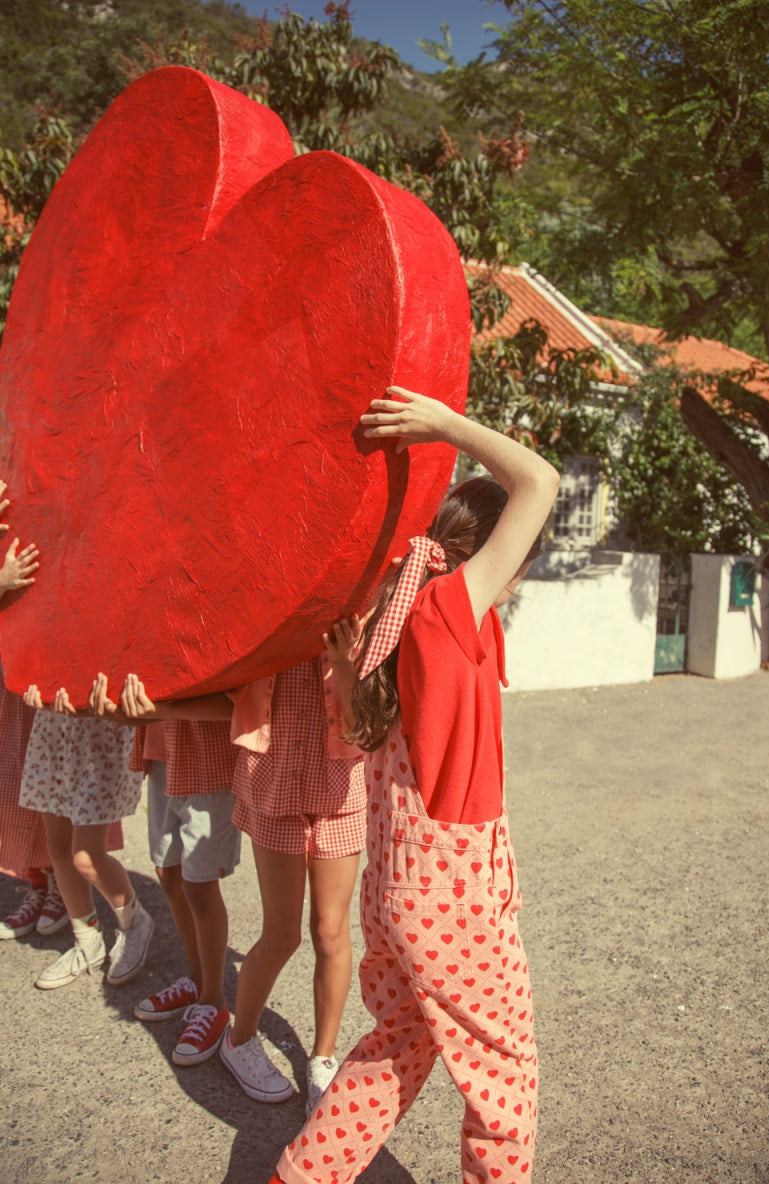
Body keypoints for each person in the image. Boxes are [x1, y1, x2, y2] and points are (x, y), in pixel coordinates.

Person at [270, 385, 560, 1184]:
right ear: (501, 550)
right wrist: (445, 426)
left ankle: (301, 1174)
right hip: (452, 893)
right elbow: (541, 481)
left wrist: (341, 667)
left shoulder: (406, 611)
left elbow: (355, 734)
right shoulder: (445, 608)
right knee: (506, 1080)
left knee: (394, 1049)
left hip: (396, 888)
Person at [118, 649, 366, 1116]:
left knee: (332, 932)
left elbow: (369, 720)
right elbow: (227, 690)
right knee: (282, 934)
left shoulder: (359, 615)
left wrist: (348, 665)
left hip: (340, 784)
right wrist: (158, 707)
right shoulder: (273, 613)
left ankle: (323, 1058)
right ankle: (240, 1038)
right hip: (272, 783)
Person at [89, 676, 241, 1068]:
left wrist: (162, 709)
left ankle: (214, 1002)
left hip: (208, 752)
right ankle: (197, 980)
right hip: (162, 750)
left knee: (200, 883)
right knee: (168, 872)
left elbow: (237, 700)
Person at [20, 685, 153, 990]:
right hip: (54, 723)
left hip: (102, 724)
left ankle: (135, 923)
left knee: (86, 857)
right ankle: (87, 940)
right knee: (59, 847)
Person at [0, 504, 67, 938]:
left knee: (50, 779)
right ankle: (39, 883)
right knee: (16, 779)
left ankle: (63, 888)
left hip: (43, 652)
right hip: (10, 659)